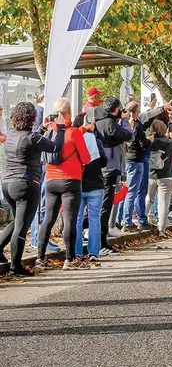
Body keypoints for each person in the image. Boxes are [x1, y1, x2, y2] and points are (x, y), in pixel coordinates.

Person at [0, 102, 56, 276]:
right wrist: (57, 129)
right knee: (21, 227)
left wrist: (41, 128)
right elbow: (53, 147)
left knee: (17, 222)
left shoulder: (10, 135)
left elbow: (30, 141)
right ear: (32, 118)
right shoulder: (33, 138)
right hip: (26, 183)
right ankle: (15, 267)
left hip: (7, 183)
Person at [36, 99, 93, 270]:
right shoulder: (73, 133)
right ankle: (70, 259)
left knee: (48, 219)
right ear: (68, 111)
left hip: (51, 180)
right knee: (69, 219)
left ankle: (40, 257)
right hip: (71, 181)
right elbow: (86, 158)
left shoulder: (48, 132)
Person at [94, 97, 133, 251]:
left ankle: (96, 241)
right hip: (109, 168)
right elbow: (129, 135)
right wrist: (124, 120)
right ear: (116, 110)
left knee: (98, 205)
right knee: (105, 206)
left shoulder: (97, 122)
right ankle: (101, 243)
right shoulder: (110, 123)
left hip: (99, 167)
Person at [73, 110, 107, 262]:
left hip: (78, 184)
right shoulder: (96, 140)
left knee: (77, 219)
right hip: (96, 184)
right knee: (94, 219)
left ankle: (77, 252)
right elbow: (104, 161)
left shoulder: (73, 140)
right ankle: (94, 251)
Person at [148, 120, 172, 236]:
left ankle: (142, 221)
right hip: (166, 175)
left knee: (149, 199)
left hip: (150, 174)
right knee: (163, 202)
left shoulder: (150, 141)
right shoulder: (169, 142)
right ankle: (161, 228)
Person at [122, 101, 151, 231]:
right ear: (136, 111)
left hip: (127, 158)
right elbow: (141, 143)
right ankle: (127, 221)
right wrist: (149, 140)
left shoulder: (123, 123)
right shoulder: (136, 125)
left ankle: (122, 219)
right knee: (133, 191)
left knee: (128, 191)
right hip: (136, 159)